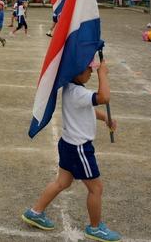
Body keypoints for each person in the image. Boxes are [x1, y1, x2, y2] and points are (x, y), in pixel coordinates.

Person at [21, 59, 120, 242]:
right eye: (89, 69)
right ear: (77, 72)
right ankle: (95, 228)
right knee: (96, 189)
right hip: (79, 148)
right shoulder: (78, 92)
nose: (91, 72)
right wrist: (103, 74)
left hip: (68, 143)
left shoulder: (70, 87)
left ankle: (35, 212)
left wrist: (104, 117)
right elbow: (104, 97)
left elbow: (87, 109)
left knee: (62, 182)